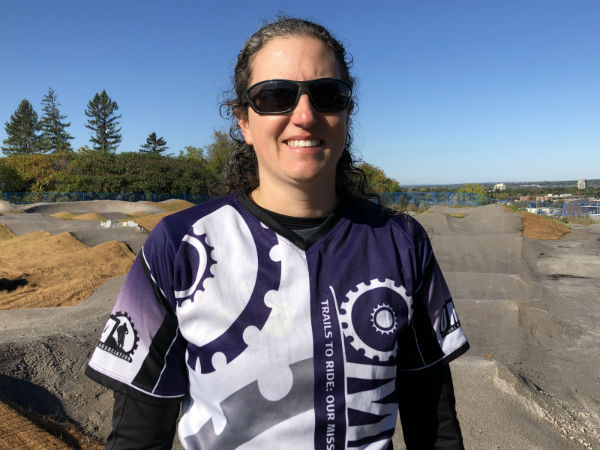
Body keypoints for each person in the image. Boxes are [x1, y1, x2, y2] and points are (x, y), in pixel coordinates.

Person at [86, 17, 469, 450]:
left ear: (346, 113)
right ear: (244, 122)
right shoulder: (179, 247)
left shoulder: (402, 241)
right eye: (275, 97)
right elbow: (137, 436)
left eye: (327, 94)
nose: (304, 116)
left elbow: (434, 426)